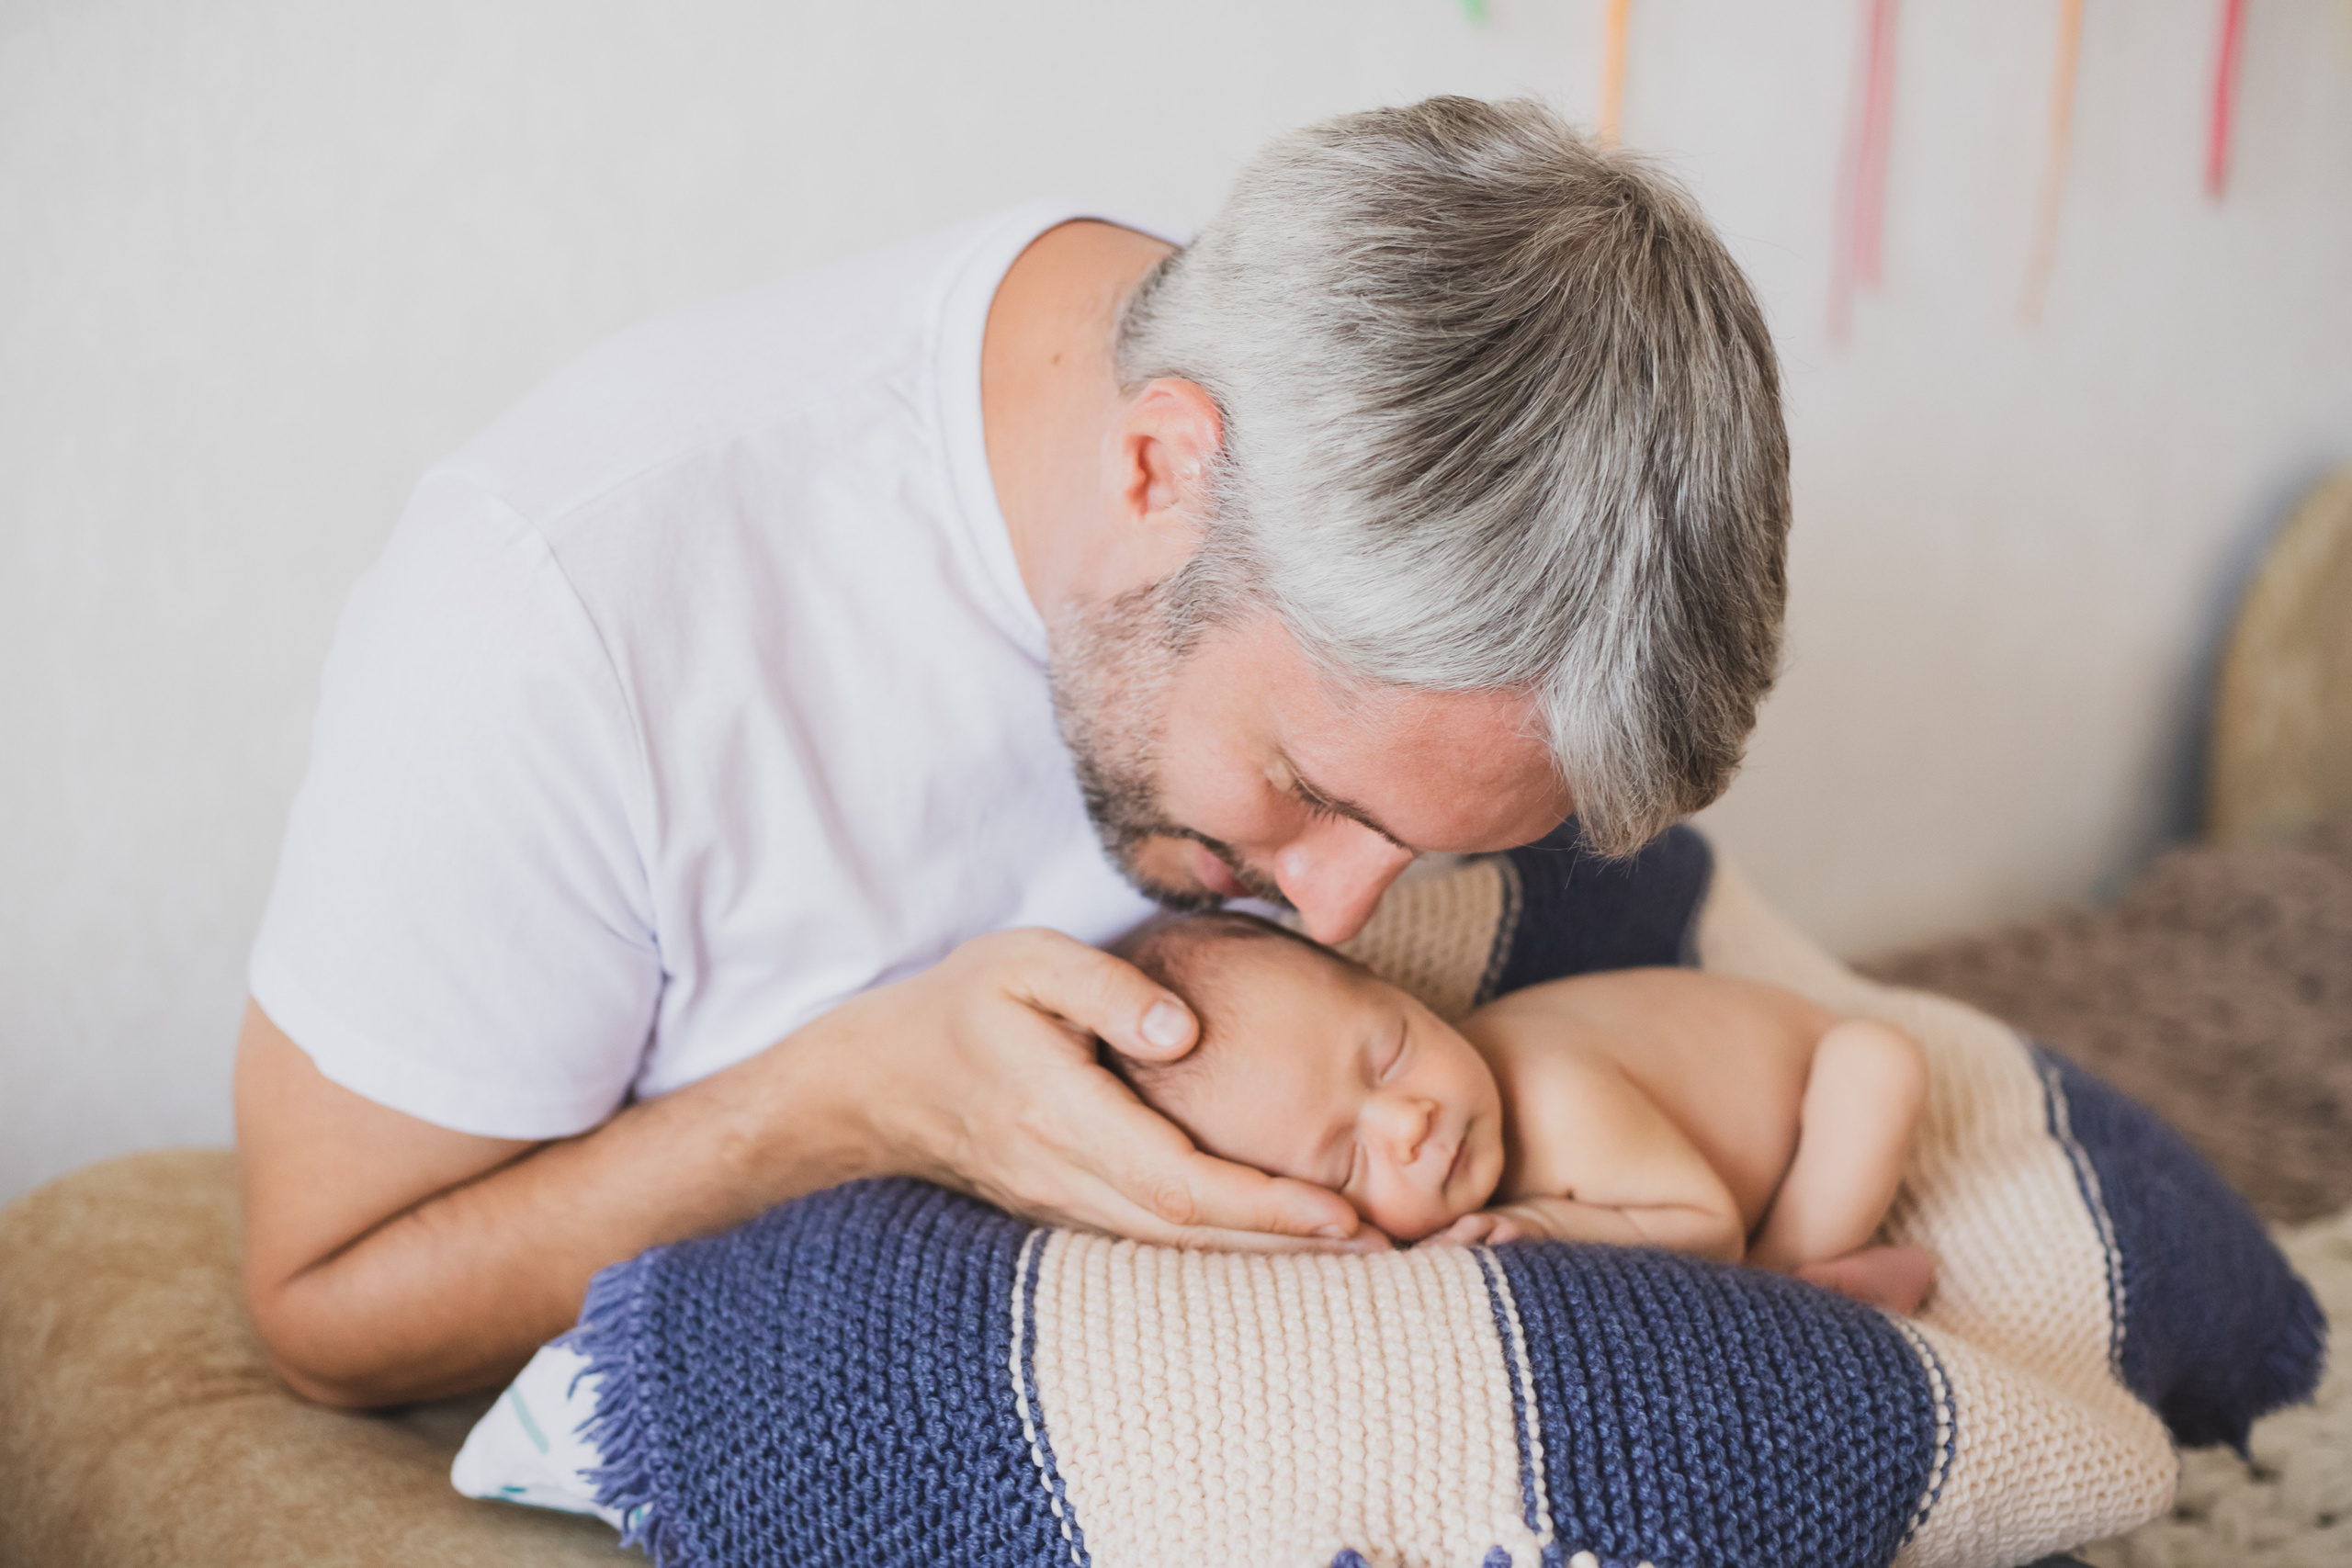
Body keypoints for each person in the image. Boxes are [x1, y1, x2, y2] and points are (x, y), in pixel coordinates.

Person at [232, 96, 1792, 1407]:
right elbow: (323, 1301)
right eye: (1311, 792)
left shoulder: (1355, 406)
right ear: (1155, 467)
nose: (1340, 922)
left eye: (1438, 846)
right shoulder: (559, 620)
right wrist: (852, 1097)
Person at [1102, 912, 1937, 1314]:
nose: (1409, 1120)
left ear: (1405, 993)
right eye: (1347, 1162)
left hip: (1806, 1084)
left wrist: (1543, 1223)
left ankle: (1798, 1272)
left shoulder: (1554, 1097)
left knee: (1877, 1063)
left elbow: (1707, 1224)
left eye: (1391, 1052)